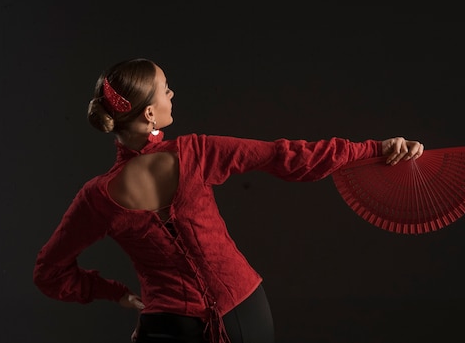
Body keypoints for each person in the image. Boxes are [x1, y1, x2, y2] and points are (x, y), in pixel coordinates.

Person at [33, 58, 424, 343]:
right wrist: (376, 148)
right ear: (150, 113)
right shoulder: (196, 152)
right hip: (245, 311)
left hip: (167, 325)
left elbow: (49, 273)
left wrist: (115, 293)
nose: (173, 93)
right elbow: (290, 157)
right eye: (166, 88)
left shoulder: (96, 197)